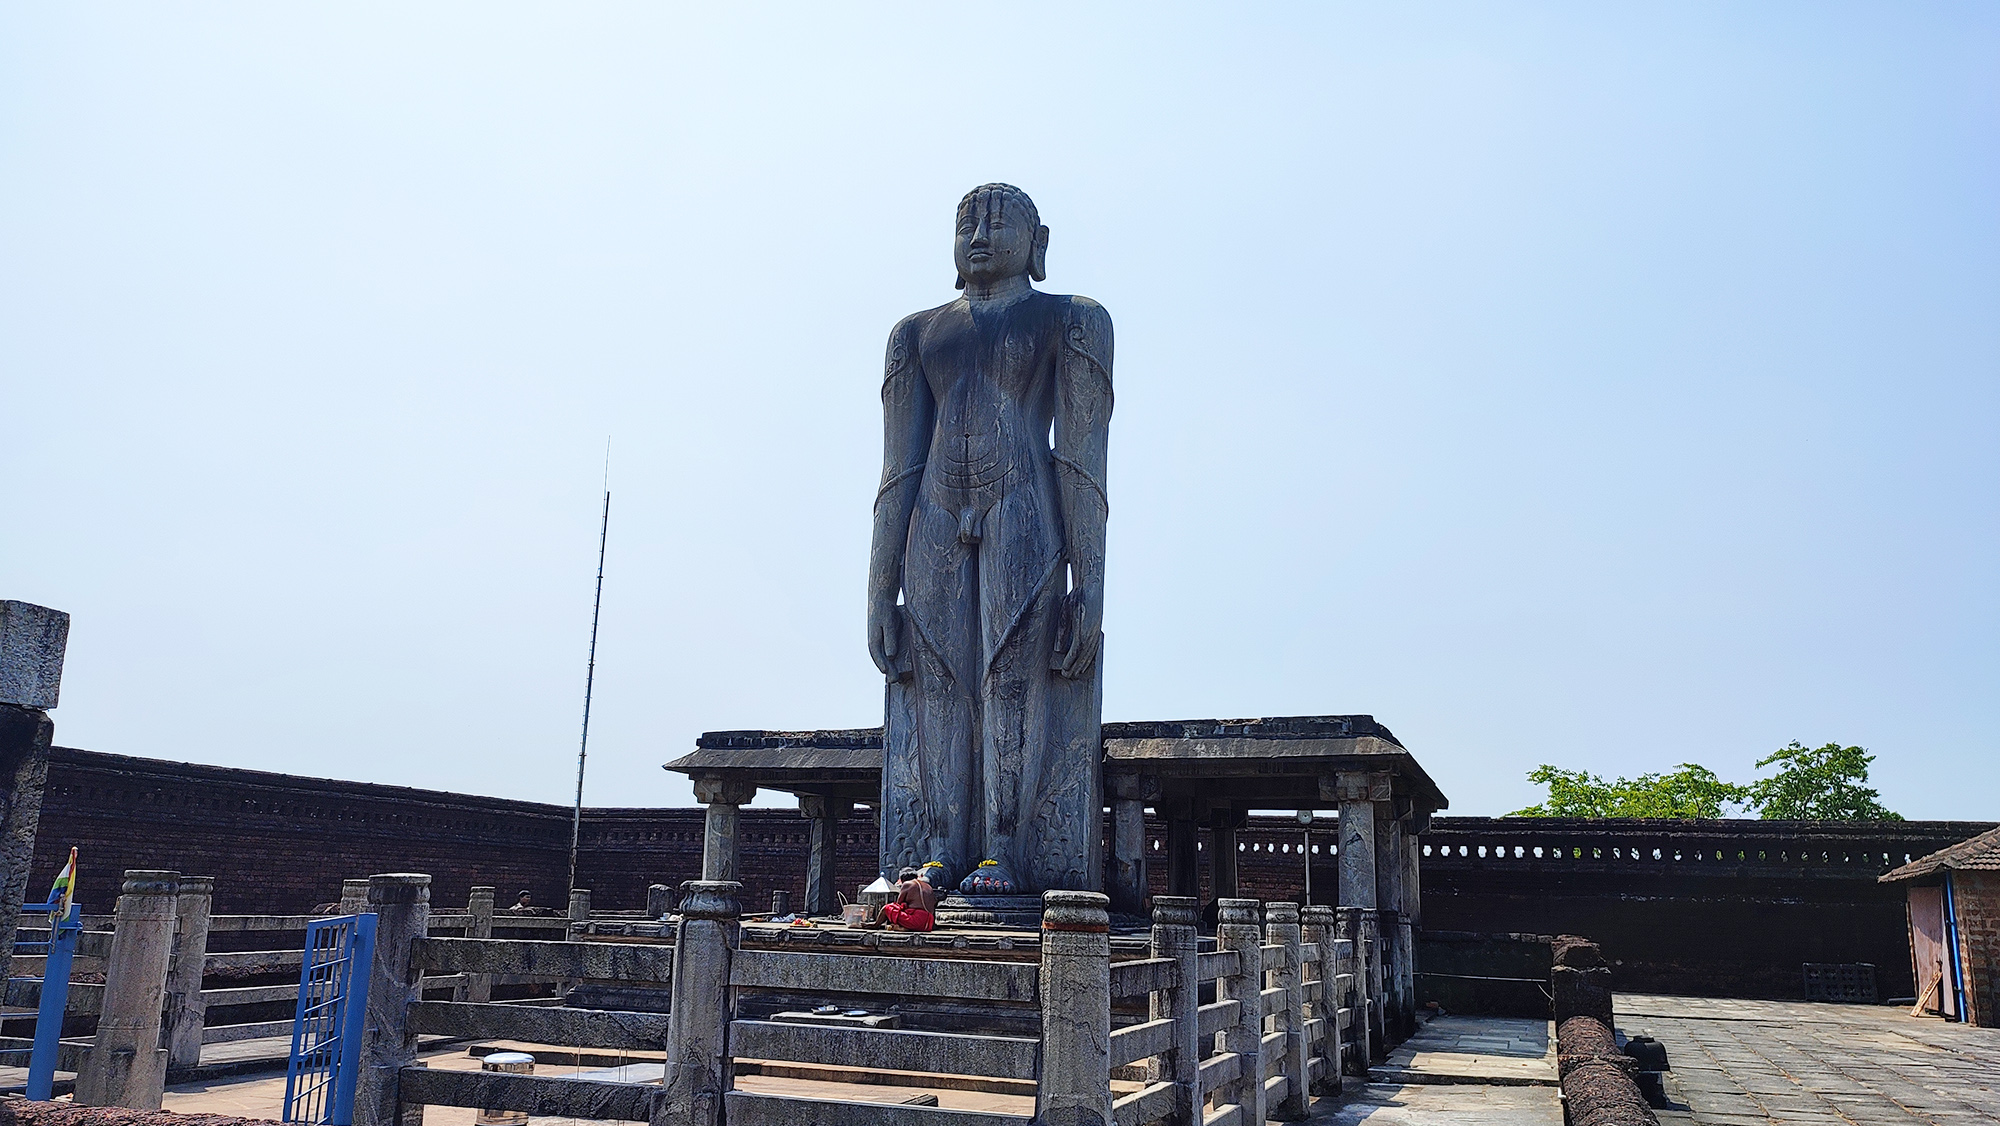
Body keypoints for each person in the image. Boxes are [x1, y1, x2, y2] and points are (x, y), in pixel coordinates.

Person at [868, 183, 1114, 895]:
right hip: (934, 516)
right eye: (966, 221)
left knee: (1011, 678)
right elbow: (898, 467)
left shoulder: (1071, 320)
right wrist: (881, 586)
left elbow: (1081, 460)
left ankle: (1003, 851)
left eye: (999, 221)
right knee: (940, 681)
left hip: (1023, 507)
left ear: (1037, 244)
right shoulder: (914, 334)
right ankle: (942, 849)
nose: (980, 232)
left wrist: (1090, 580)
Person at [882, 867, 937, 932]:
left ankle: (875, 925)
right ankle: (904, 928)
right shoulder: (927, 885)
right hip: (929, 923)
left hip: (916, 921)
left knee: (888, 908)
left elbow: (898, 904)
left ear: (902, 879)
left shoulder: (907, 884)